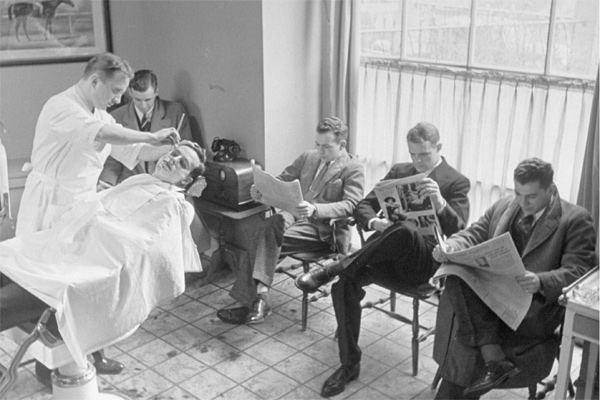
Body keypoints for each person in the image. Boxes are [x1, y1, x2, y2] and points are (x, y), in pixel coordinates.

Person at [0, 141, 206, 375]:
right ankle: (75, 361)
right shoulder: (140, 181)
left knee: (35, 290)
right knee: (9, 254)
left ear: (186, 180)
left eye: (182, 163)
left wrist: (101, 228)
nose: (173, 159)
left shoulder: (174, 205)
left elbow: (146, 248)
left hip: (97, 267)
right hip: (72, 251)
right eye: (174, 153)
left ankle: (80, 358)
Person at [297, 121, 471, 398]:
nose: (417, 161)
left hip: (423, 264)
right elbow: (363, 205)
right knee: (344, 284)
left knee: (405, 229)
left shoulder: (455, 181)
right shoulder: (400, 172)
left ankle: (337, 265)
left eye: (424, 155)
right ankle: (349, 364)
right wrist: (375, 222)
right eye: (412, 154)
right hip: (383, 254)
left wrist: (440, 204)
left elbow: (461, 231)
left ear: (438, 147)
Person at [432, 158, 596, 399]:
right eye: (518, 193)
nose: (522, 202)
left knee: (466, 350)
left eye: (531, 196)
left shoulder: (576, 219)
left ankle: (491, 354)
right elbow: (474, 233)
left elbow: (578, 271)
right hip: (494, 300)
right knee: (456, 274)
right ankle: (493, 358)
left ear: (550, 189)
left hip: (532, 307)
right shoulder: (504, 206)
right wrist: (451, 246)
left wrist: (541, 281)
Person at [215, 116, 365, 325]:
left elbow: (352, 205)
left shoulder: (353, 168)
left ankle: (257, 300)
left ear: (342, 145)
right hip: (292, 216)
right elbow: (282, 179)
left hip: (322, 229)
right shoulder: (308, 157)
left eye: (326, 147)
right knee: (272, 226)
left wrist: (316, 209)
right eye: (318, 144)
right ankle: (259, 299)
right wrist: (261, 190)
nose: (320, 151)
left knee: (263, 235)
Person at [16, 53, 181, 237]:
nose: (118, 100)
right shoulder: (62, 105)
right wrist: (151, 136)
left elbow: (134, 150)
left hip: (81, 202)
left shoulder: (101, 115)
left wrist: (172, 147)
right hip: (48, 205)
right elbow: (101, 133)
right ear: (95, 81)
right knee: (43, 252)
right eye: (116, 91)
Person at [99, 69, 193, 186]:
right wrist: (107, 183)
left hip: (164, 185)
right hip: (129, 185)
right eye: (138, 99)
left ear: (156, 91)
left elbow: (187, 154)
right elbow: (112, 158)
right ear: (130, 92)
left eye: (148, 99)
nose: (143, 105)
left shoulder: (176, 112)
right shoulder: (116, 116)